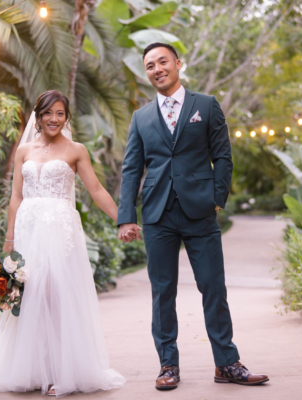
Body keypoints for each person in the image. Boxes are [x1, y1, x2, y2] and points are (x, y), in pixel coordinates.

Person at [0, 90, 126, 397]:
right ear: (38, 116)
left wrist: (123, 219)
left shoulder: (76, 150)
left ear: (67, 118)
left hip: (60, 231)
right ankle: (33, 368)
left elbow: (97, 189)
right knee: (29, 296)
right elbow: (16, 196)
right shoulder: (23, 151)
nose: (54, 119)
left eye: (60, 113)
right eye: (48, 113)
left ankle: (59, 372)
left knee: (56, 296)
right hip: (28, 228)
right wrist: (10, 239)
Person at [117, 43, 269, 390]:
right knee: (162, 291)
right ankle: (168, 365)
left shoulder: (206, 105)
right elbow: (131, 170)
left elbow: (223, 157)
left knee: (213, 287)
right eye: (150, 65)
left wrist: (216, 199)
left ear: (178, 64)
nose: (157, 69)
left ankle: (227, 364)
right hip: (157, 214)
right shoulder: (140, 117)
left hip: (200, 212)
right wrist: (127, 216)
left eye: (163, 62)